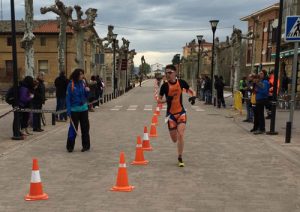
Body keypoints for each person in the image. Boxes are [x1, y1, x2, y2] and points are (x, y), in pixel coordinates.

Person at [157, 64, 196, 167]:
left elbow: (192, 91)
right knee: (174, 139)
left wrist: (193, 97)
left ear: (175, 73)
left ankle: (180, 156)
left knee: (181, 134)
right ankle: (179, 151)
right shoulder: (164, 86)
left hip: (181, 113)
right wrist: (166, 100)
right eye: (166, 73)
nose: (168, 75)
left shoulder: (181, 82)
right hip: (170, 116)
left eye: (170, 72)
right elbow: (158, 100)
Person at [66, 68, 91, 153]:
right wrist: (68, 111)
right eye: (80, 74)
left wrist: (87, 92)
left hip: (84, 109)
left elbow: (86, 96)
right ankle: (70, 146)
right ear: (76, 75)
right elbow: (68, 98)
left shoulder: (83, 83)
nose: (82, 76)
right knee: (73, 129)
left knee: (85, 128)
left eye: (82, 74)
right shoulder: (71, 85)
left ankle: (86, 146)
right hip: (74, 110)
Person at [253, 70, 270, 134]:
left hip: (262, 99)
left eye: (261, 73)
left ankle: (262, 128)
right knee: (258, 114)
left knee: (260, 115)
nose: (260, 75)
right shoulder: (260, 81)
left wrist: (258, 90)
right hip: (258, 99)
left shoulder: (265, 82)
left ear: (264, 74)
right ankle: (258, 127)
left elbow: (265, 92)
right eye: (259, 73)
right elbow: (256, 89)